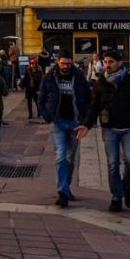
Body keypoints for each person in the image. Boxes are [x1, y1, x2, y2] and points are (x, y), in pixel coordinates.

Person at [82, 50, 130, 213]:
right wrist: (86, 125)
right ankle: (116, 197)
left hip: (129, 128)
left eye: (111, 62)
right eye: (106, 62)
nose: (107, 65)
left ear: (120, 63)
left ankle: (126, 186)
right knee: (113, 164)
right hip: (109, 129)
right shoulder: (101, 83)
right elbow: (94, 108)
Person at [38, 51, 91, 208]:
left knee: (70, 159)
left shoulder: (79, 76)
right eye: (63, 63)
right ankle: (62, 192)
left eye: (68, 63)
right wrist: (47, 115)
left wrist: (86, 119)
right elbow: (41, 98)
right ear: (58, 62)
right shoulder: (49, 76)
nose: (66, 66)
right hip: (58, 122)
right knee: (60, 156)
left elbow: (88, 97)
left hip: (75, 122)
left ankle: (66, 188)